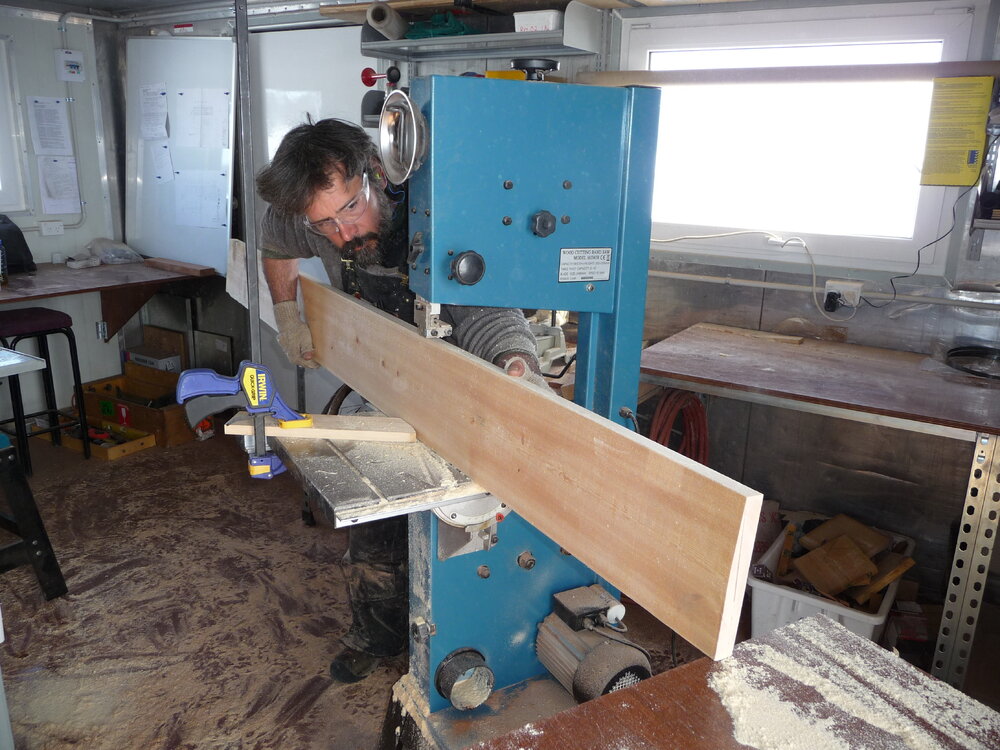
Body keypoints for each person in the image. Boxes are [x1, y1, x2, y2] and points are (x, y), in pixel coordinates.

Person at [255, 117, 545, 683]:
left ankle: (464, 640)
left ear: (376, 174)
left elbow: (487, 313)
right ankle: (380, 635)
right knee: (376, 519)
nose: (341, 233)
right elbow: (274, 240)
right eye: (325, 225)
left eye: (350, 211)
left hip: (460, 376)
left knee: (462, 531)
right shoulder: (309, 215)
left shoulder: (433, 208)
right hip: (386, 374)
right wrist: (287, 313)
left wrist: (516, 368)